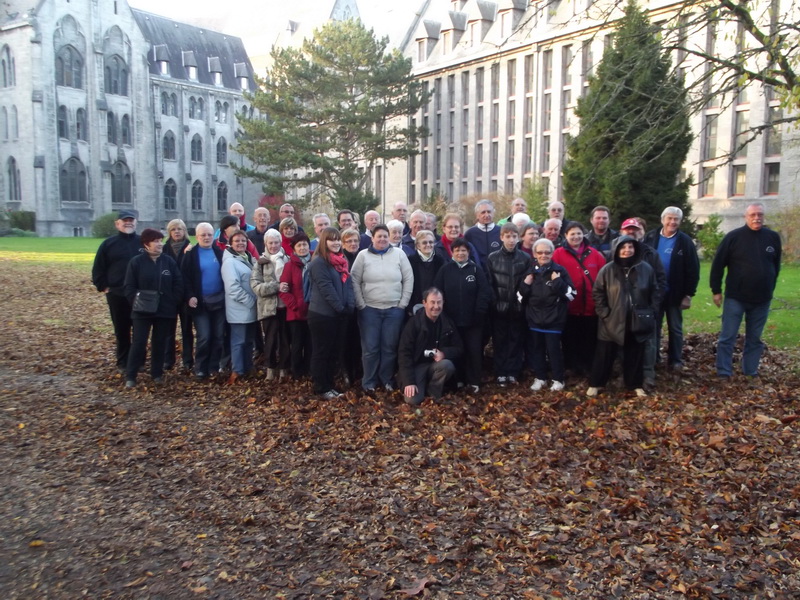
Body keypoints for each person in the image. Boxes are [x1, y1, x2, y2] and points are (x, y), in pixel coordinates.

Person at [710, 202, 782, 380]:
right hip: (736, 297)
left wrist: (770, 286)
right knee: (728, 336)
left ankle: (750, 371)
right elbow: (718, 265)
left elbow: (776, 265)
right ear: (746, 217)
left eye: (760, 215)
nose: (757, 218)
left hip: (762, 299)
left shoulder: (772, 237)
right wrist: (716, 290)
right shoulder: (733, 237)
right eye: (753, 215)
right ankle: (724, 372)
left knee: (755, 339)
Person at [587, 236, 661, 398]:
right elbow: (598, 293)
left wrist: (651, 311)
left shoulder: (646, 269)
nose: (627, 250)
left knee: (635, 353)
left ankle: (634, 384)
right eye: (623, 247)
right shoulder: (607, 270)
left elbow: (655, 291)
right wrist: (605, 313)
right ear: (616, 249)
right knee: (604, 353)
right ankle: (596, 383)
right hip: (611, 319)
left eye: (630, 246)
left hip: (638, 319)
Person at [351, 224, 414, 392]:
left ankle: (386, 379)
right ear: (372, 238)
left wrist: (402, 304)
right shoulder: (363, 256)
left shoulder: (399, 255)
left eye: (385, 236)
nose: (382, 239)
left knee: (389, 347)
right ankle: (369, 382)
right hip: (369, 310)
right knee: (370, 348)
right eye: (379, 236)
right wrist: (361, 304)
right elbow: (354, 280)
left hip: (394, 310)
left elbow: (408, 278)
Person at [123, 228, 183, 388]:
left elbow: (178, 282)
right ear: (146, 244)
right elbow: (129, 287)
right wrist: (137, 301)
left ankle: (157, 373)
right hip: (142, 310)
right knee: (139, 342)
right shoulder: (136, 262)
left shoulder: (168, 261)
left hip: (164, 310)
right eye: (155, 241)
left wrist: (173, 300)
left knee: (159, 342)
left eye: (160, 241)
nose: (159, 244)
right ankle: (131, 375)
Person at [643, 207, 700, 372]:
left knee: (675, 328)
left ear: (680, 222)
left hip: (676, 294)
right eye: (669, 218)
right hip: (655, 293)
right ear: (662, 220)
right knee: (654, 328)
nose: (672, 222)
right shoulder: (651, 237)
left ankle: (675, 360)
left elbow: (693, 270)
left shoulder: (685, 241)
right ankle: (653, 359)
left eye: (676, 219)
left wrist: (688, 294)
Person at [434, 237, 492, 393]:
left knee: (473, 351)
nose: (460, 253)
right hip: (451, 321)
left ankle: (474, 382)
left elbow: (484, 293)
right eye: (457, 250)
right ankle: (457, 381)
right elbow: (438, 292)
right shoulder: (445, 270)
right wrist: (443, 315)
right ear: (452, 252)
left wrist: (479, 313)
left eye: (463, 250)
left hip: (473, 321)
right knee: (455, 351)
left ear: (468, 252)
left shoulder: (475, 270)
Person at [519, 238, 575, 392]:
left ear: (552, 253)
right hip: (534, 319)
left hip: (554, 320)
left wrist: (558, 282)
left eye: (547, 252)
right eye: (540, 252)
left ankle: (558, 379)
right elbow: (520, 297)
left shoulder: (559, 271)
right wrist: (526, 284)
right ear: (534, 254)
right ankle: (540, 378)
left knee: (553, 350)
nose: (544, 255)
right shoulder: (530, 272)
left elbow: (571, 295)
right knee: (536, 350)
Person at [618, 217, 667, 389]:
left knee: (648, 343)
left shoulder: (650, 254)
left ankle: (647, 375)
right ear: (621, 232)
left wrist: (654, 307)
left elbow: (660, 282)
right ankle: (625, 374)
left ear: (642, 232)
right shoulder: (615, 253)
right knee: (622, 342)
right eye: (627, 229)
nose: (631, 232)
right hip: (622, 307)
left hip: (645, 307)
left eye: (635, 229)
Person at [307, 227, 356, 399]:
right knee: (322, 352)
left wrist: (350, 305)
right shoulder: (319, 263)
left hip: (339, 315)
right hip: (322, 315)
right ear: (324, 242)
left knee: (334, 352)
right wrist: (341, 308)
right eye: (331, 239)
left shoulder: (341, 261)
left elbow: (348, 285)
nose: (335, 243)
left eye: (337, 240)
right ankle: (321, 387)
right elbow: (326, 289)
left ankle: (330, 385)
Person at [552, 221, 606, 376]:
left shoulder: (594, 254)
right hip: (569, 306)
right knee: (570, 338)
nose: (576, 237)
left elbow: (603, 276)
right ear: (565, 236)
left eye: (579, 233)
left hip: (591, 306)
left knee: (589, 339)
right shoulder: (558, 254)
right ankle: (571, 366)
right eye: (572, 234)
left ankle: (588, 366)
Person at [92, 209, 142, 372]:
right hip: (117, 294)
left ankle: (138, 361)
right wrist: (104, 287)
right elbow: (98, 268)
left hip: (139, 294)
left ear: (136, 222)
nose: (128, 223)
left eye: (131, 220)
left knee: (139, 330)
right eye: (125, 220)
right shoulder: (108, 244)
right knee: (121, 329)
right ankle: (123, 362)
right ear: (117, 223)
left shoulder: (142, 243)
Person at [398, 288, 462, 406]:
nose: (436, 306)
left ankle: (433, 394)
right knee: (413, 400)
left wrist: (444, 353)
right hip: (416, 366)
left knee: (447, 365)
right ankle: (420, 388)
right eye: (432, 302)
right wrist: (408, 381)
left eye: (439, 302)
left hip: (436, 366)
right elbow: (404, 353)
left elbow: (459, 348)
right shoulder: (414, 323)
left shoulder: (447, 322)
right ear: (424, 303)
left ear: (443, 303)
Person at [487, 223, 532, 386]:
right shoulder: (492, 258)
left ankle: (512, 372)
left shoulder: (525, 258)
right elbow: (490, 283)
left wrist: (521, 302)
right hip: (499, 308)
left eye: (514, 236)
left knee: (515, 340)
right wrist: (495, 304)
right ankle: (500, 372)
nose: (511, 240)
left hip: (518, 308)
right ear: (501, 237)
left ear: (519, 237)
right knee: (500, 341)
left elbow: (527, 282)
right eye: (508, 236)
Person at [182, 223, 226, 380]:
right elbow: (184, 279)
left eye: (209, 234)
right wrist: (190, 296)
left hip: (219, 301)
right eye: (203, 235)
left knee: (218, 336)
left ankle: (214, 366)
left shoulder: (219, 252)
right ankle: (201, 367)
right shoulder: (191, 254)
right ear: (197, 237)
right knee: (205, 336)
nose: (206, 238)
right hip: (200, 303)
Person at [251, 229, 290, 381]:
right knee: (271, 340)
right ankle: (270, 368)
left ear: (281, 243)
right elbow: (256, 286)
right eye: (270, 243)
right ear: (265, 244)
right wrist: (276, 286)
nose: (273, 246)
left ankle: (284, 368)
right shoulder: (260, 263)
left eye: (276, 242)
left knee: (285, 340)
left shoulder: (286, 259)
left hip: (285, 307)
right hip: (268, 308)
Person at [221, 230, 258, 385]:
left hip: (250, 309)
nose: (241, 243)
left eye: (243, 240)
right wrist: (250, 301)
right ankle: (237, 371)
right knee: (239, 341)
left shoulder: (247, 258)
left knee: (249, 341)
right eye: (237, 241)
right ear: (231, 243)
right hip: (239, 309)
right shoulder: (230, 262)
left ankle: (248, 368)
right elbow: (233, 288)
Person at [279, 233, 313, 379]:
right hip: (296, 312)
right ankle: (297, 372)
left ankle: (309, 369)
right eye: (299, 245)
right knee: (297, 344)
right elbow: (283, 290)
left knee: (311, 343)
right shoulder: (289, 266)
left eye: (305, 244)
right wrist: (295, 305)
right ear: (294, 248)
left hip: (313, 311)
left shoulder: (315, 262)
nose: (302, 247)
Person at [163, 218, 193, 372]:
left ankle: (188, 360)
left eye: (179, 229)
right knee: (169, 330)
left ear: (184, 231)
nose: (176, 232)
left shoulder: (190, 248)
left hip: (185, 295)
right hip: (169, 296)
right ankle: (168, 360)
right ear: (169, 232)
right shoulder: (164, 249)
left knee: (187, 329)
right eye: (173, 230)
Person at [340, 228, 364, 385]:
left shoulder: (363, 257)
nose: (353, 243)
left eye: (355, 240)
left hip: (362, 304)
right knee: (345, 340)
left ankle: (358, 371)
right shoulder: (340, 259)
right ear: (343, 243)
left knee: (359, 340)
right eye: (349, 241)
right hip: (345, 306)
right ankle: (346, 371)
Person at [407, 229, 446, 314]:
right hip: (415, 305)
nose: (428, 245)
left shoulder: (440, 261)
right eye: (424, 242)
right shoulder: (410, 261)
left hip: (436, 306)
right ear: (418, 245)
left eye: (431, 242)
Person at [464, 199, 501, 266]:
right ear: (477, 215)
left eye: (489, 212)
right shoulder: (470, 234)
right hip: (477, 273)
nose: (486, 215)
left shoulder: (501, 231)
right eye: (483, 212)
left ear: (493, 213)